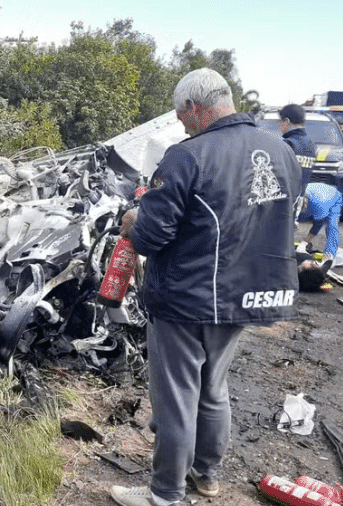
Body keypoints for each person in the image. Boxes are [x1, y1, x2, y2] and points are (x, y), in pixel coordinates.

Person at [109, 68, 301, 506]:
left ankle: (164, 494)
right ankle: (206, 475)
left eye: (181, 116)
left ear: (194, 107)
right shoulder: (282, 151)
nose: (180, 124)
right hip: (249, 294)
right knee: (213, 387)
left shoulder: (188, 155)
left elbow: (152, 236)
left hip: (188, 297)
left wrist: (133, 222)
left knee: (176, 397)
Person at [296, 181, 342, 264]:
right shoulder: (297, 193)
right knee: (298, 216)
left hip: (333, 199)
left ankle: (329, 258)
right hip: (313, 195)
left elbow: (318, 224)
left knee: (332, 226)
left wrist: (306, 241)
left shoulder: (320, 205)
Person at [278, 103, 317, 194]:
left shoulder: (288, 144)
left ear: (286, 121)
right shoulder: (311, 144)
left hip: (286, 199)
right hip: (301, 197)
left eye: (280, 121)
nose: (279, 125)